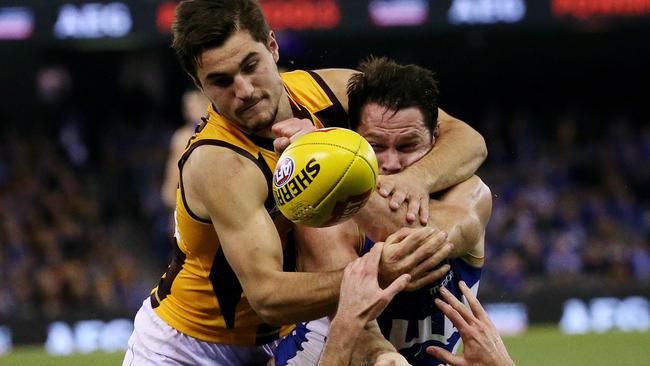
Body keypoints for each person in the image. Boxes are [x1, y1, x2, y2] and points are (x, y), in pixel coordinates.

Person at [123, 1, 487, 365]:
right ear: (197, 83)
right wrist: (377, 272)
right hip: (192, 347)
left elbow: (467, 140)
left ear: (272, 46)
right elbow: (267, 295)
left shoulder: (328, 89)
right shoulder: (219, 163)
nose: (245, 90)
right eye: (221, 81)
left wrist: (416, 179)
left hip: (285, 330)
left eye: (251, 66)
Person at [273, 58, 492, 365]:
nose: (390, 163)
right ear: (353, 139)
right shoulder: (325, 217)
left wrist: (334, 174)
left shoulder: (472, 194)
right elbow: (355, 324)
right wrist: (384, 356)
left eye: (407, 146)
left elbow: (428, 240)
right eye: (375, 145)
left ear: (434, 139)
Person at [161, 88, 210, 209]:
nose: (192, 109)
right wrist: (169, 193)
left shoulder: (218, 132)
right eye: (189, 106)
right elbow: (173, 169)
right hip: (188, 202)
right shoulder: (182, 137)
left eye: (196, 104)